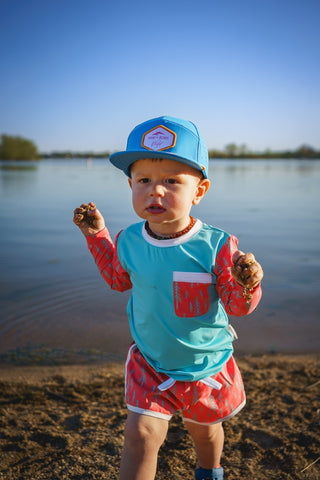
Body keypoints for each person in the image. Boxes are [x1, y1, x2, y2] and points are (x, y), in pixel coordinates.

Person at [73, 116, 263, 480]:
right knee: (140, 435)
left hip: (205, 365)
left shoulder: (217, 245)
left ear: (199, 190)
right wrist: (98, 235)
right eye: (144, 180)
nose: (155, 191)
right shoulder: (129, 239)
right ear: (130, 184)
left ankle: (209, 471)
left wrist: (247, 281)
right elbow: (117, 279)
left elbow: (239, 307)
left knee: (204, 432)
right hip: (150, 363)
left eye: (172, 181)